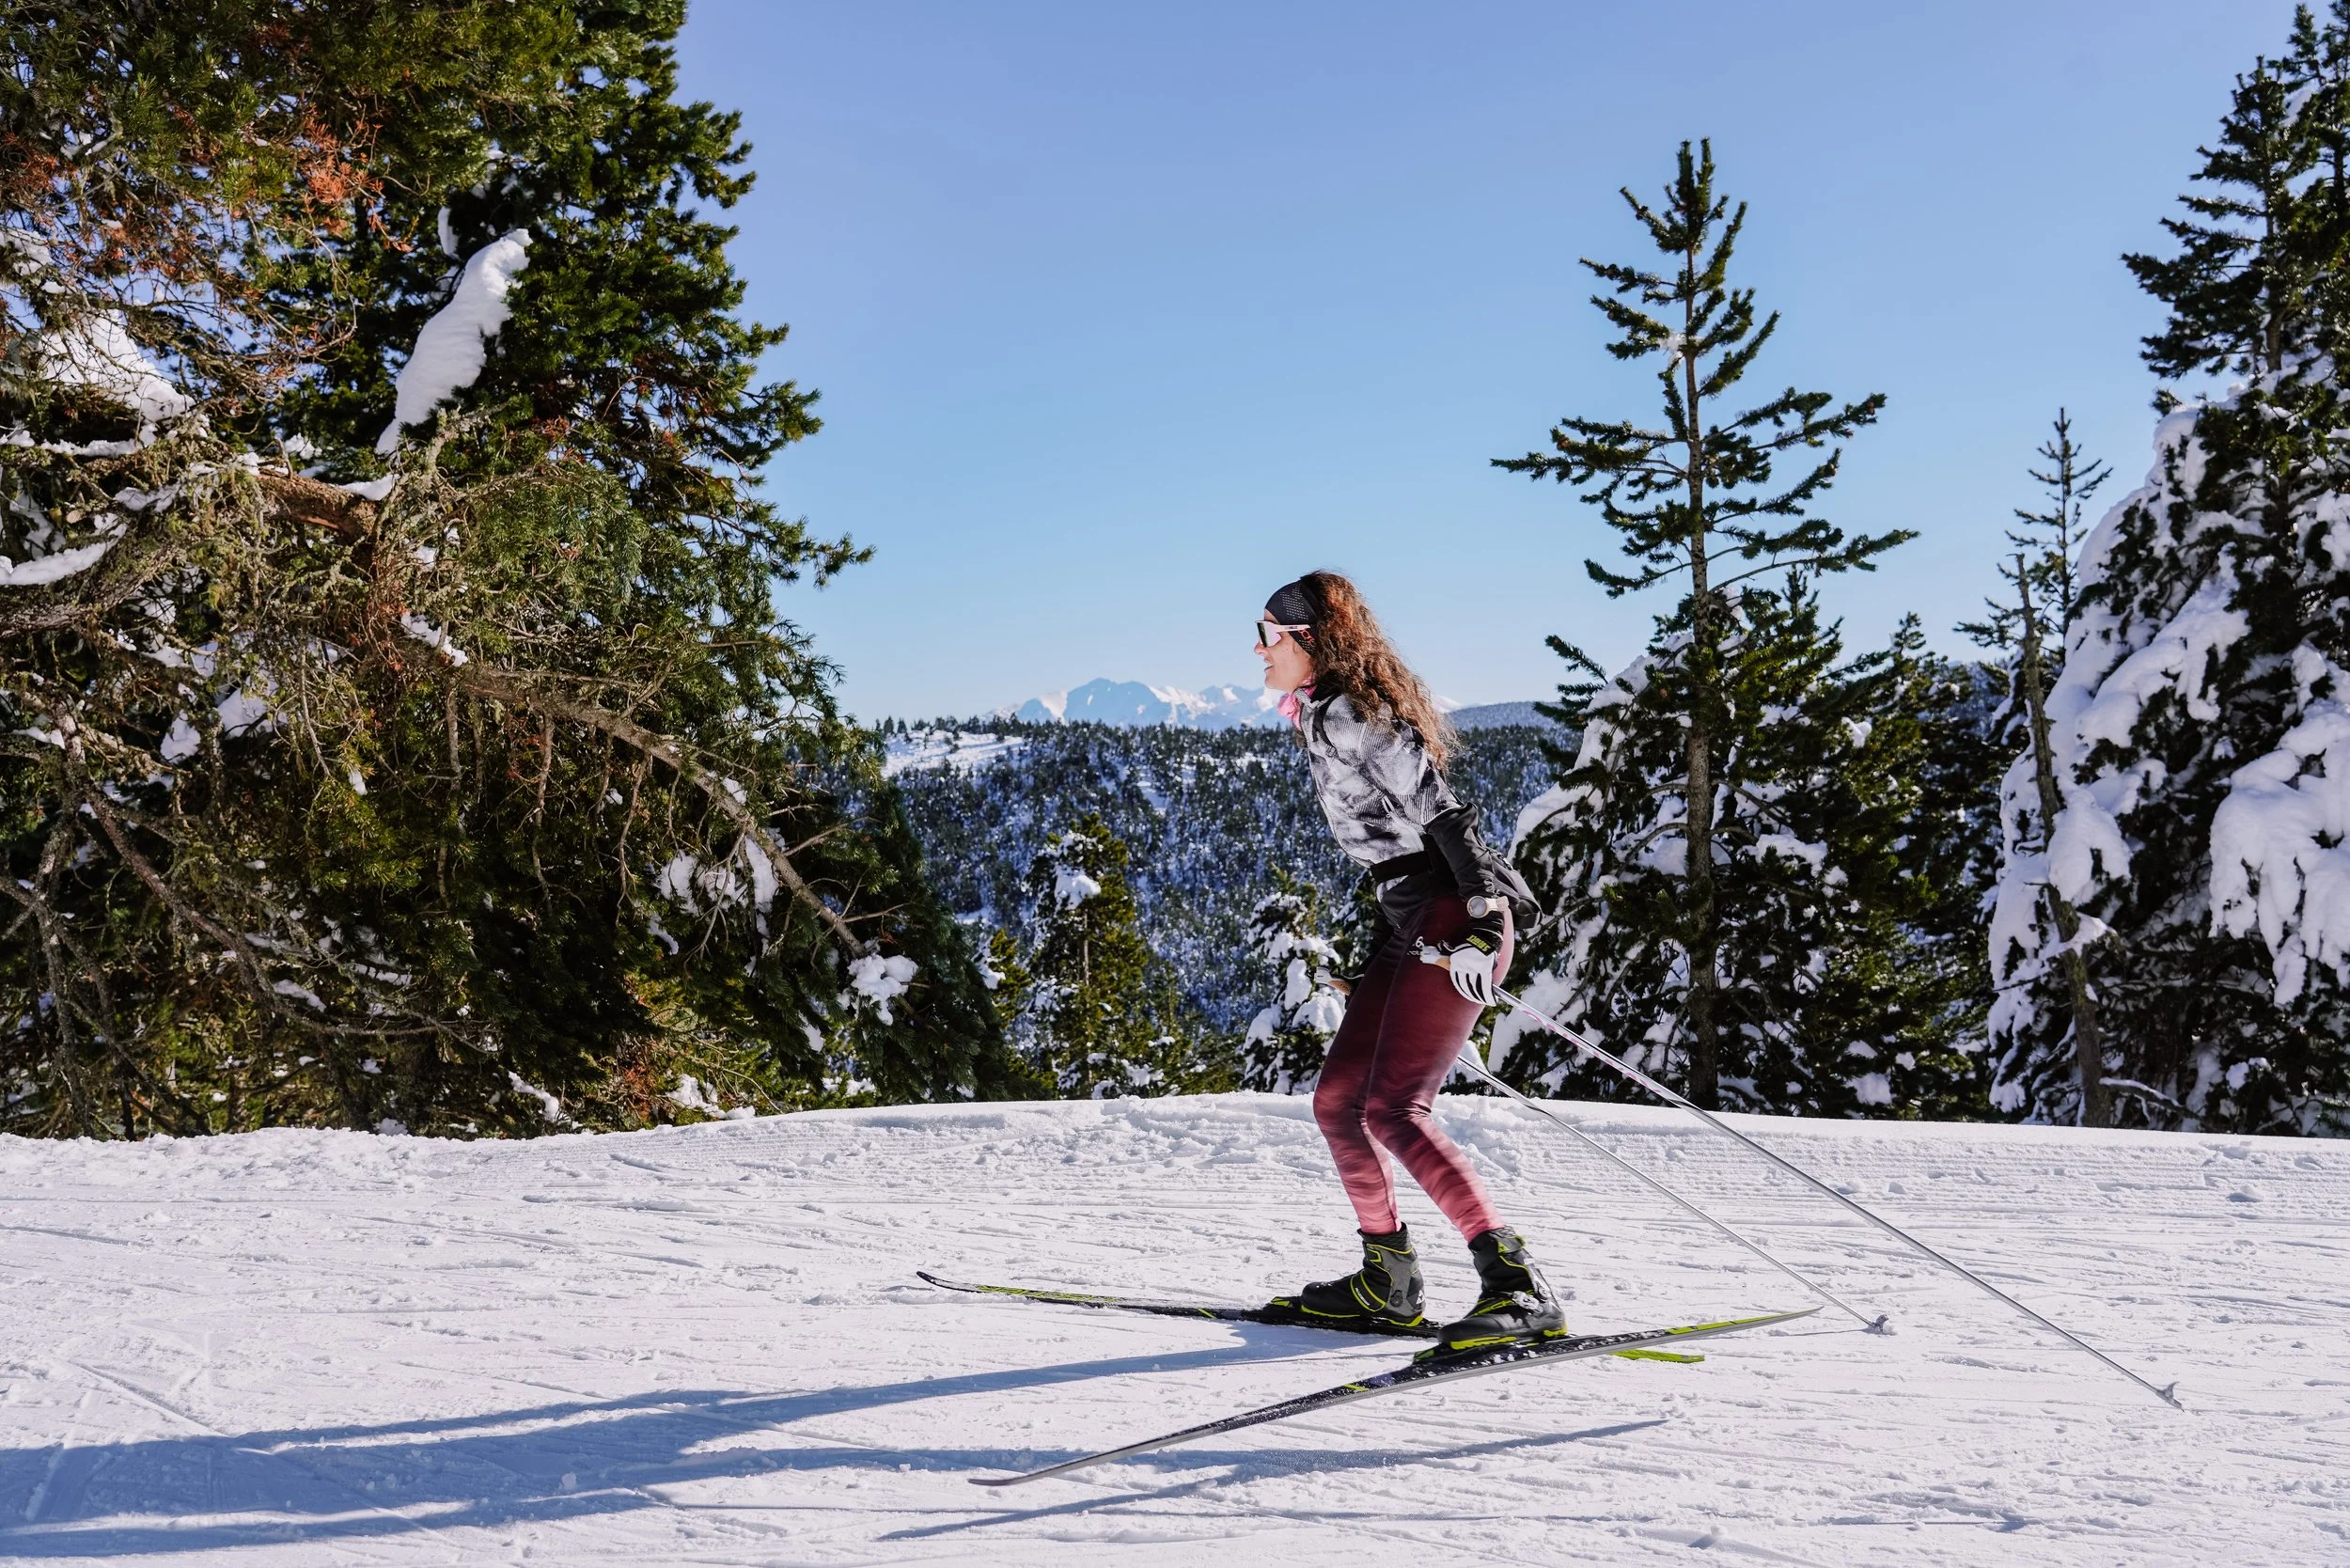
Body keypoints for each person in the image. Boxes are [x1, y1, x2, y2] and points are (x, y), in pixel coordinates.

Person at [1253, 570, 1567, 1356]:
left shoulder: (1355, 713)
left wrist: (1483, 917)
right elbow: (1396, 857)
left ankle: (1519, 1288)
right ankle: (1388, 1281)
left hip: (1455, 914)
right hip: (1412, 922)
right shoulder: (1322, 716)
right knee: (1338, 1101)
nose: (1257, 652)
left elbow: (1441, 813)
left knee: (1395, 1108)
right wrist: (1379, 968)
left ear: (1308, 641)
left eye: (1268, 635)